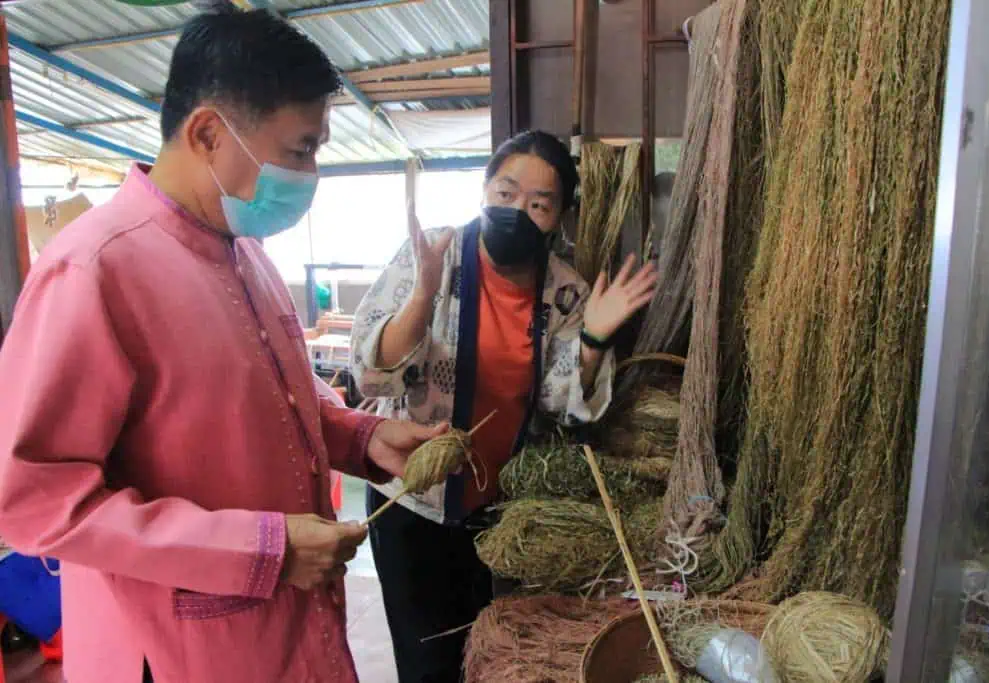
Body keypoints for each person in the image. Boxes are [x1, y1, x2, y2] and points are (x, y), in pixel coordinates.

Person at [0, 8, 440, 683]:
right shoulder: (95, 270)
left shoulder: (246, 255)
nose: (311, 173)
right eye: (301, 149)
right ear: (208, 131)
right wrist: (259, 549)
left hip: (286, 634)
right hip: (182, 650)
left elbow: (273, 404)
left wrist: (361, 438)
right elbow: (36, 498)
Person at [351, 130, 658, 681]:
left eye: (540, 204)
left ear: (560, 216)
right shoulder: (437, 256)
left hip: (494, 507)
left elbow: (560, 404)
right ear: (485, 191)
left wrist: (591, 337)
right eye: (506, 193)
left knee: (484, 650)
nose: (519, 211)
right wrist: (422, 296)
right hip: (411, 498)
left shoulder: (565, 291)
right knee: (425, 661)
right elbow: (375, 374)